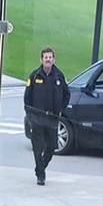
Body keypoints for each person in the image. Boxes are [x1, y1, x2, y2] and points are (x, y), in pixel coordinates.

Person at [23, 47, 70, 186]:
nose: (48, 60)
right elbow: (27, 98)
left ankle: (40, 167)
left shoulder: (59, 76)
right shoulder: (34, 76)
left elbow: (67, 95)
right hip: (37, 119)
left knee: (51, 147)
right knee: (38, 147)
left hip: (52, 119)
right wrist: (30, 116)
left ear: (54, 59)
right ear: (41, 59)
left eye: (50, 57)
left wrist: (61, 110)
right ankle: (41, 176)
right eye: (45, 57)